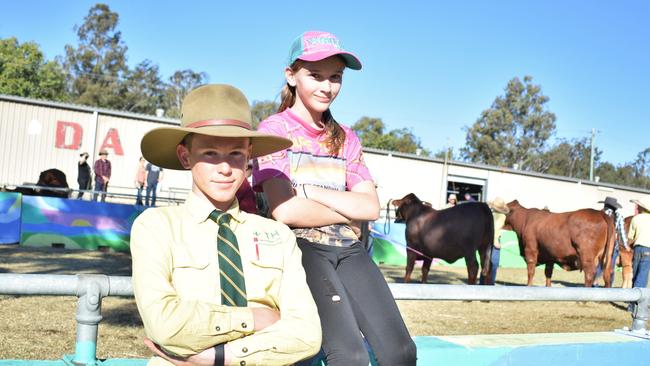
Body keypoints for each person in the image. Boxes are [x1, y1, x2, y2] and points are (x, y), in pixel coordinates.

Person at [253, 31, 416, 366]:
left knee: (402, 352)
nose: (327, 87)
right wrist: (346, 209)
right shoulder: (274, 131)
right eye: (315, 75)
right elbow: (285, 210)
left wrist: (311, 192)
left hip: (350, 250)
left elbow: (369, 207)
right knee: (349, 355)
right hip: (301, 251)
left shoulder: (346, 139)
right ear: (291, 76)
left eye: (336, 77)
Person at [131, 84, 321, 366]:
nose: (224, 168)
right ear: (185, 156)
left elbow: (307, 334)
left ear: (249, 156)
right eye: (209, 153)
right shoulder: (156, 227)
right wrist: (254, 319)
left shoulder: (277, 235)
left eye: (235, 154)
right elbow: (164, 326)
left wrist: (218, 357)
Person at [480, 197, 510, 285]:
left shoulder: (490, 214)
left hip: (485, 241)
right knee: (494, 264)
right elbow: (495, 230)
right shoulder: (502, 217)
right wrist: (496, 241)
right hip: (493, 241)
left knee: (485, 263)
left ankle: (482, 283)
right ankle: (490, 284)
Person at [628, 197, 650, 289]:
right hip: (648, 249)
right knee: (643, 275)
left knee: (636, 273)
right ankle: (638, 301)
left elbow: (630, 238)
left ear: (642, 208)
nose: (637, 208)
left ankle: (632, 301)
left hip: (637, 248)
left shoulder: (635, 219)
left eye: (638, 206)